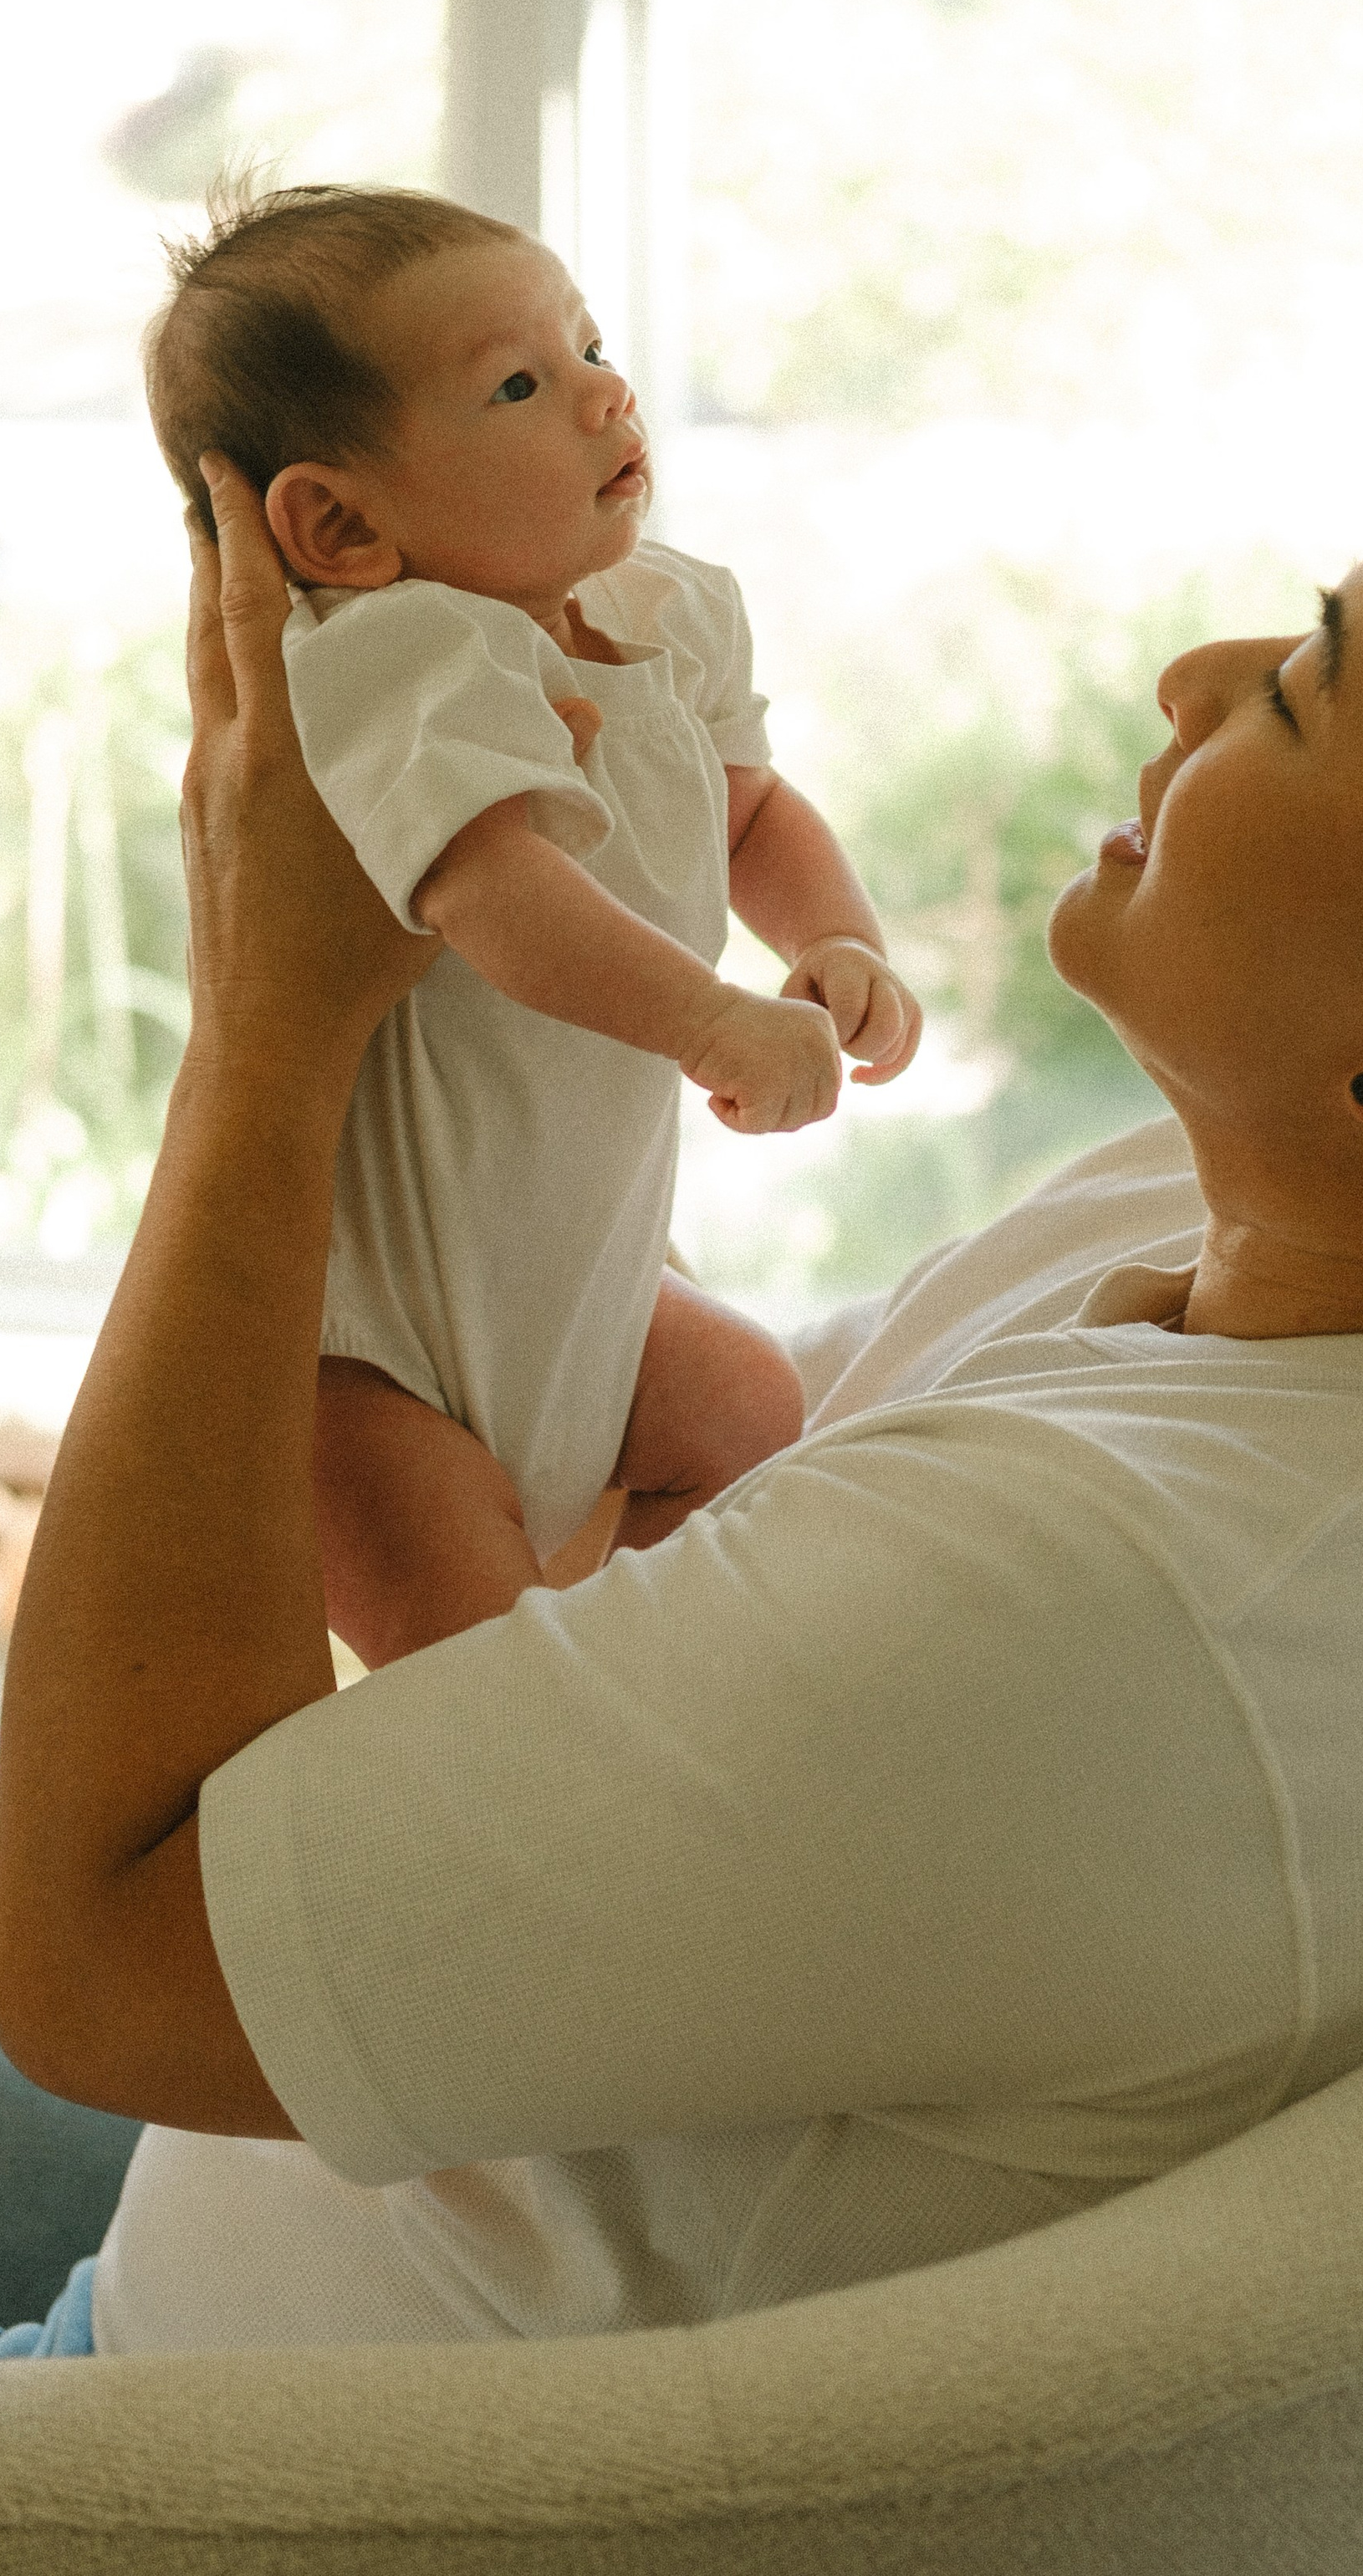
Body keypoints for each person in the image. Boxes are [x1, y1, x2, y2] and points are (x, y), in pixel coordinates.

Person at [0, 358, 1363, 2364]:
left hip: (186, 2421)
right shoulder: (1352, 1270)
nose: (1190, 681)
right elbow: (662, 1475)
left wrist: (275, 1032)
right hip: (376, 2174)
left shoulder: (1125, 1616)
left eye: (1293, 689)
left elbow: (99, 1962)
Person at [145, 182, 923, 1658]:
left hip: (586, 1281)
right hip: (373, 1355)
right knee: (476, 1667)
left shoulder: (669, 613)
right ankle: (535, 1737)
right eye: (520, 384)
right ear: (341, 523)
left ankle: (625, 1651)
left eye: (589, 347)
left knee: (751, 1408)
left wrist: (835, 941)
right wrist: (710, 1019)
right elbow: (497, 895)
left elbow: (753, 810)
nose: (603, 395)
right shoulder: (395, 660)